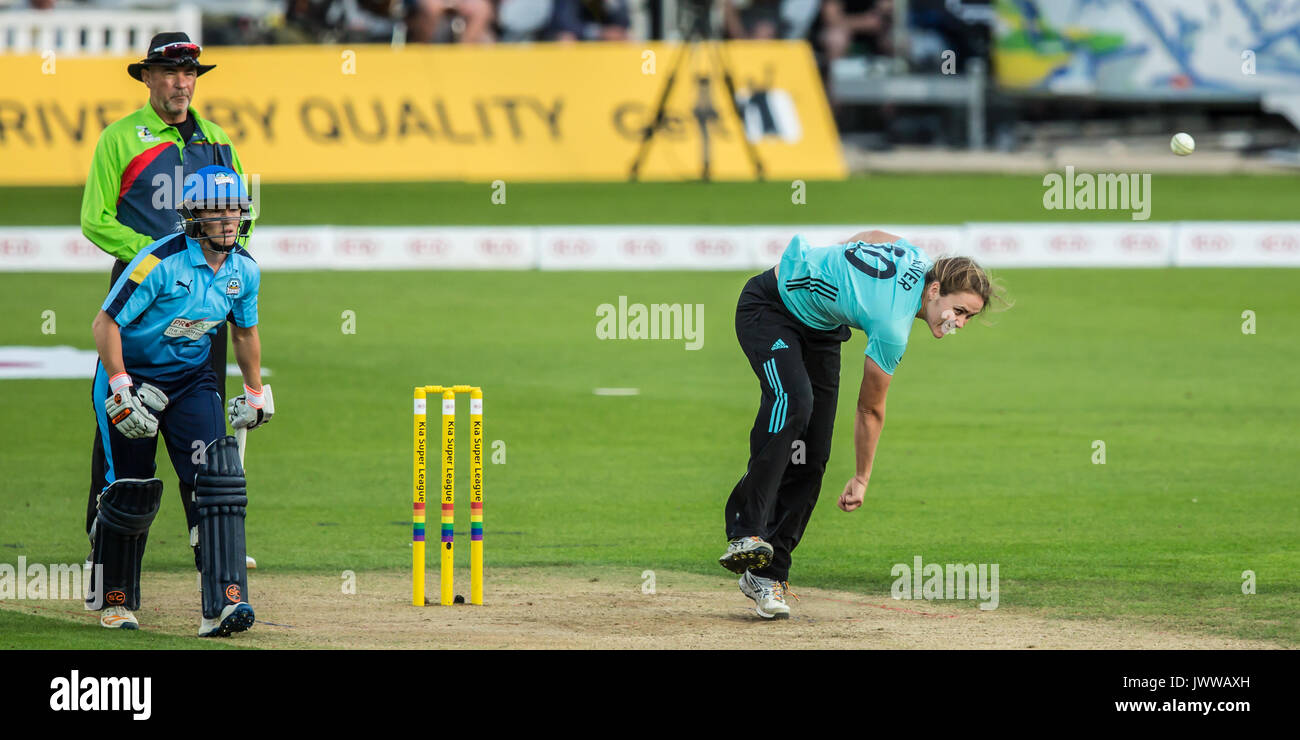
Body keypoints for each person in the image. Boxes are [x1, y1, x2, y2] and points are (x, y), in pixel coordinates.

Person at [719, 230, 1006, 619]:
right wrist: (862, 476)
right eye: (959, 311)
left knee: (812, 454)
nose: (960, 322)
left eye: (968, 317)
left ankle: (767, 577)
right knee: (794, 403)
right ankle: (744, 530)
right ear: (935, 289)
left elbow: (873, 235)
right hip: (770, 308)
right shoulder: (892, 325)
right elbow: (870, 409)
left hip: (820, 328)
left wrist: (837, 261)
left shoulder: (919, 258)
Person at [80, 32, 258, 570]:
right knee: (122, 409)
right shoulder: (120, 138)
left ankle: (208, 535)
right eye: (171, 72)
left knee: (200, 411)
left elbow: (239, 213)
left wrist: (224, 260)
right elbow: (96, 219)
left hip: (206, 288)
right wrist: (157, 259)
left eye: (190, 74)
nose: (182, 83)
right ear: (148, 77)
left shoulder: (219, 139)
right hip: (142, 289)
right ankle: (102, 533)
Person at [87, 166, 271, 636]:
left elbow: (244, 331)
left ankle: (224, 604)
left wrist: (255, 393)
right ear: (193, 215)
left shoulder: (244, 269)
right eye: (218, 211)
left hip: (191, 380)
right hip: (132, 378)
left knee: (216, 483)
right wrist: (122, 387)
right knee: (130, 488)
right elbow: (105, 324)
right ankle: (115, 598)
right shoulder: (159, 262)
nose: (230, 220)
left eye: (236, 210)